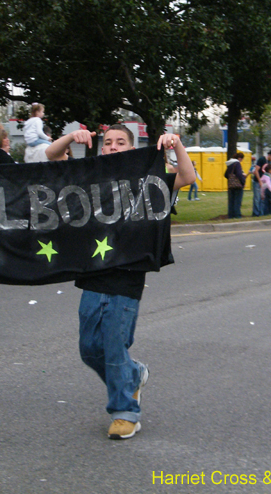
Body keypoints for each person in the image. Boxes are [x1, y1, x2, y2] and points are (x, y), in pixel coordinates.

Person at [48, 124, 195, 439]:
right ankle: (133, 375)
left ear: (132, 149)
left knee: (114, 346)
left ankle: (125, 412)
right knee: (89, 349)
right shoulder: (87, 179)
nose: (113, 147)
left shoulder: (147, 183)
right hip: (92, 273)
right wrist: (71, 138)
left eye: (120, 142)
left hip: (128, 274)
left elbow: (187, 177)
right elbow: (52, 155)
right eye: (108, 143)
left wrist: (175, 145)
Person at [224, 152, 246, 219]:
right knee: (237, 201)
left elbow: (225, 174)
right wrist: (243, 181)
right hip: (238, 185)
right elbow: (239, 174)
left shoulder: (230, 164)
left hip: (231, 185)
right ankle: (237, 215)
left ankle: (231, 215)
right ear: (240, 158)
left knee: (231, 201)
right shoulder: (237, 163)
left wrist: (231, 179)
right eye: (242, 159)